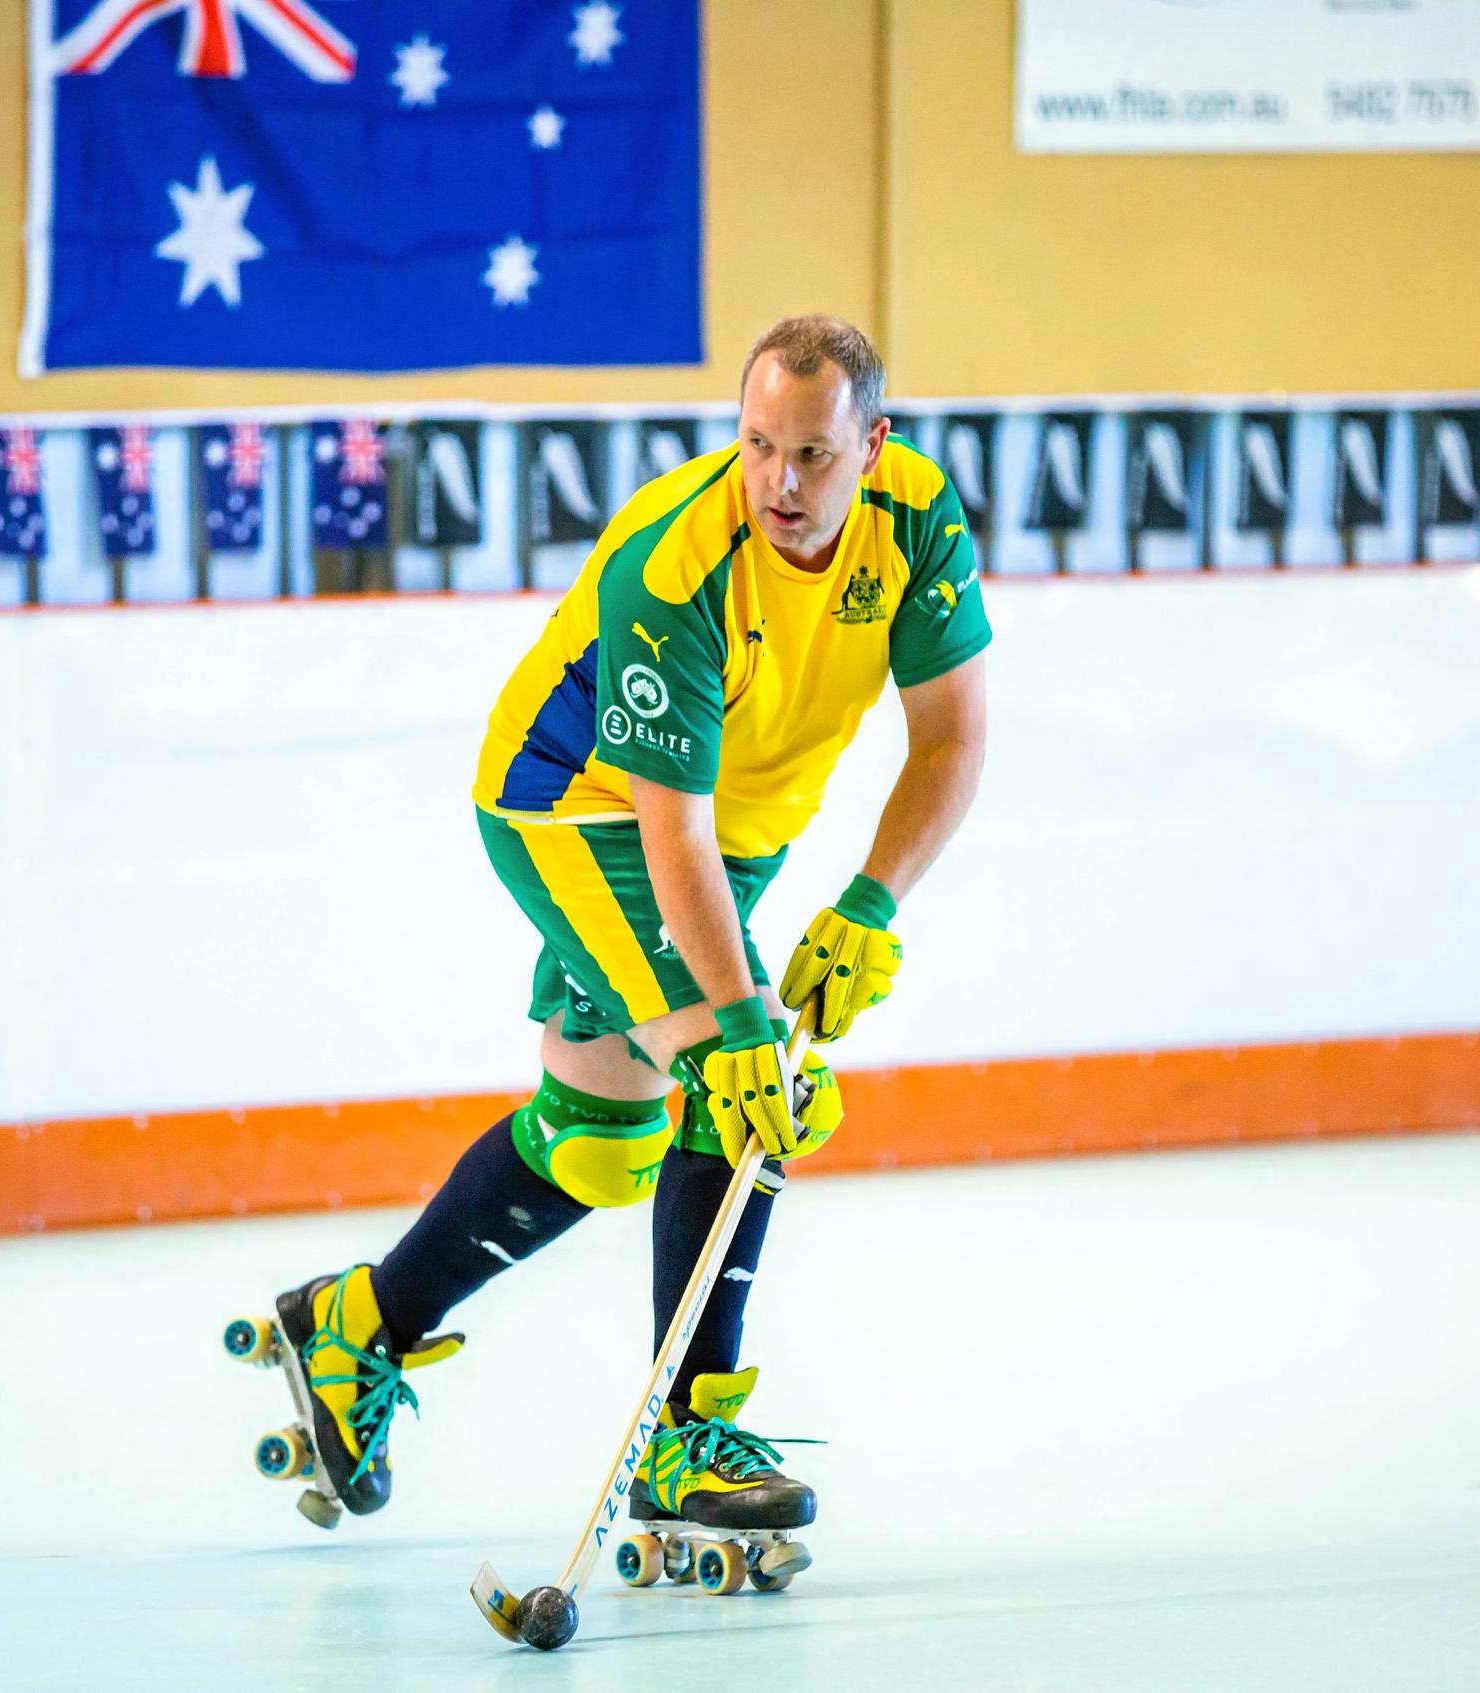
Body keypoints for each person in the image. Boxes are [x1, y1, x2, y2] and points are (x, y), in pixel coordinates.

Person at [264, 314, 990, 1546]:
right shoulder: (675, 566)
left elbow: (953, 737)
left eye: (813, 454)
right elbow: (671, 835)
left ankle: (353, 1329)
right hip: (575, 807)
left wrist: (872, 899)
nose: (781, 481)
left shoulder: (916, 521)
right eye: (759, 444)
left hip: (733, 830)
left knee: (601, 1143)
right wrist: (743, 1025)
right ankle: (689, 1434)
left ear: (874, 445)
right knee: (741, 1082)